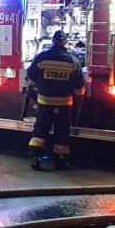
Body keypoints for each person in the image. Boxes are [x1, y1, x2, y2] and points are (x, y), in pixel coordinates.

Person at [26, 30, 85, 171]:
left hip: (45, 102)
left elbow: (31, 76)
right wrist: (78, 96)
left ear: (53, 41)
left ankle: (36, 159)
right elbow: (79, 84)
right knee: (62, 132)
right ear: (65, 42)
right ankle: (60, 161)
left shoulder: (42, 57)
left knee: (40, 130)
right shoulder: (73, 61)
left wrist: (36, 86)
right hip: (64, 103)